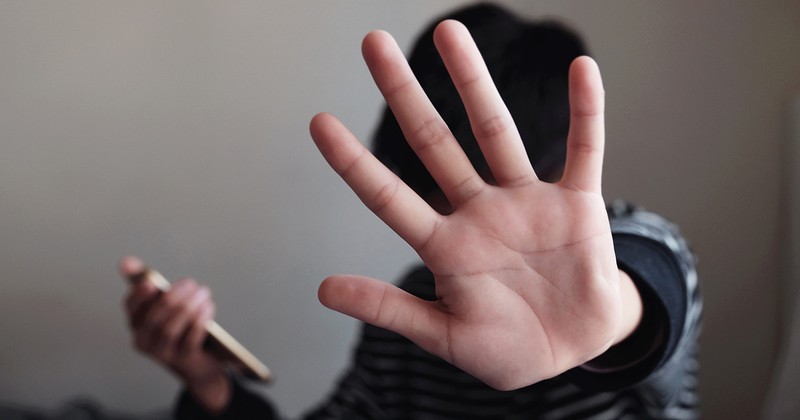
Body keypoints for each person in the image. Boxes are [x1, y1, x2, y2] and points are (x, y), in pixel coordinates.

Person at [122, 4, 701, 419]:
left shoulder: (637, 247)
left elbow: (650, 294)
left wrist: (612, 316)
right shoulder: (412, 312)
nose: (451, 220)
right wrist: (209, 388)